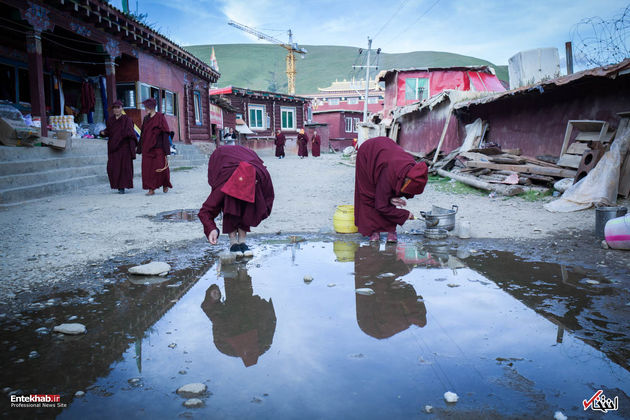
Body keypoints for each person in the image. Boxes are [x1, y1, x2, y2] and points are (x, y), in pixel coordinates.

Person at [198, 145, 274, 254]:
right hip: (222, 159)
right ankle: (233, 241)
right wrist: (211, 229)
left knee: (248, 204)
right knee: (230, 204)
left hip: (249, 163)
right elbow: (205, 211)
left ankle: (242, 241)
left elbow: (268, 197)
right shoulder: (224, 186)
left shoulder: (260, 180)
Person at [354, 136, 428, 243]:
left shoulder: (410, 168)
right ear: (407, 180)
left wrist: (392, 198)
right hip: (368, 154)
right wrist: (405, 214)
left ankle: (391, 230)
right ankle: (374, 231)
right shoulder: (388, 174)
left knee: (392, 192)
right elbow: (381, 206)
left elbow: (396, 189)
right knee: (370, 195)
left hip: (386, 155)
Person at [100, 100, 137, 194]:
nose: (116, 110)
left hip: (124, 147)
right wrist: (103, 133)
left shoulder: (127, 120)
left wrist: (122, 139)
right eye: (114, 108)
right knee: (113, 167)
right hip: (113, 147)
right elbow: (109, 131)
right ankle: (116, 185)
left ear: (122, 108)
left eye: (118, 108)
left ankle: (122, 186)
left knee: (124, 167)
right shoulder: (110, 120)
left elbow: (130, 133)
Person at [137, 98, 172, 196]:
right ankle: (151, 188)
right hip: (147, 148)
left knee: (161, 167)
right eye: (145, 107)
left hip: (158, 147)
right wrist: (140, 148)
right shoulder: (146, 118)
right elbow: (143, 133)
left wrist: (167, 150)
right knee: (147, 169)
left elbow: (165, 133)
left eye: (148, 107)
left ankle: (165, 183)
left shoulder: (160, 117)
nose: (146, 109)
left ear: (153, 107)